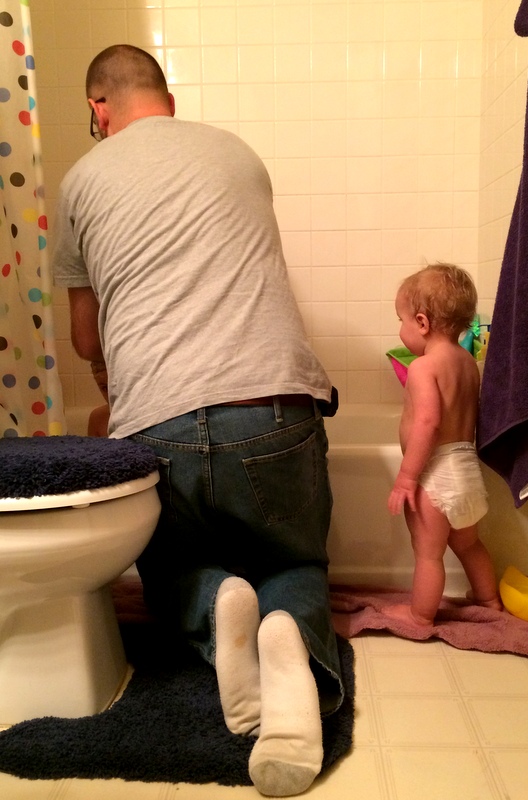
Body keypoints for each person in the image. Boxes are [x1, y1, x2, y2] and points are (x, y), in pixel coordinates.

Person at [51, 44, 343, 798]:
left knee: (169, 565)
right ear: (167, 99)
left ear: (97, 107)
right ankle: (292, 644)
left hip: (160, 423)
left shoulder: (80, 180)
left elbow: (86, 339)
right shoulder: (238, 154)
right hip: (274, 411)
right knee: (293, 560)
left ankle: (216, 606)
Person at [387, 263, 501, 628]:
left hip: (436, 474)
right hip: (467, 471)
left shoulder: (424, 367)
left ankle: (420, 615)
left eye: (402, 320)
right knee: (469, 544)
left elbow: (428, 422)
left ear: (422, 322)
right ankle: (489, 599)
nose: (401, 328)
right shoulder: (468, 364)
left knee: (428, 553)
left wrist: (407, 477)